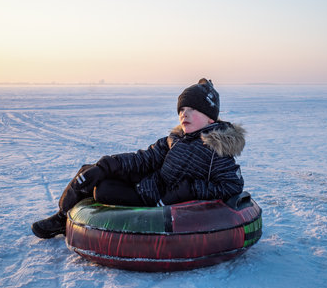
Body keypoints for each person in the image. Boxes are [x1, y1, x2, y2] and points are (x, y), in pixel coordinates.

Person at [31, 78, 246, 239]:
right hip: (146, 184)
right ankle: (62, 217)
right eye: (181, 109)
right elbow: (143, 159)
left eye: (192, 109)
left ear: (210, 117)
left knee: (103, 191)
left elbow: (232, 185)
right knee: (91, 170)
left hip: (156, 201)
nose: (184, 114)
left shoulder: (218, 149)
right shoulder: (175, 139)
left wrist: (189, 189)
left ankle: (68, 216)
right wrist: (105, 166)